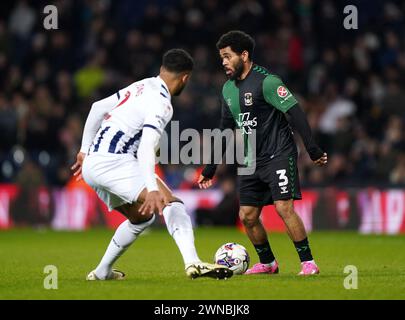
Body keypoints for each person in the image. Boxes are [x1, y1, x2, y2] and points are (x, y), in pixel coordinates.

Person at [71, 49, 232, 280]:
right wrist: (153, 190)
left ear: (162, 70)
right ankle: (193, 263)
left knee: (141, 218)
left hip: (93, 165)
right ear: (185, 77)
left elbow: (97, 107)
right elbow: (146, 147)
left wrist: (83, 150)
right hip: (115, 163)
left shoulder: (141, 86)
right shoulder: (163, 104)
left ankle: (101, 272)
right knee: (173, 204)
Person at [198, 31, 327, 275]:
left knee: (283, 207)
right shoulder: (227, 89)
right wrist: (210, 167)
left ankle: (308, 262)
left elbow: (296, 112)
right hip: (250, 160)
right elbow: (225, 129)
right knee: (246, 215)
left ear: (244, 55)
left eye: (227, 56)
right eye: (221, 58)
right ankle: (268, 263)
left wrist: (312, 148)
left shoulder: (267, 82)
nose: (223, 62)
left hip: (278, 153)